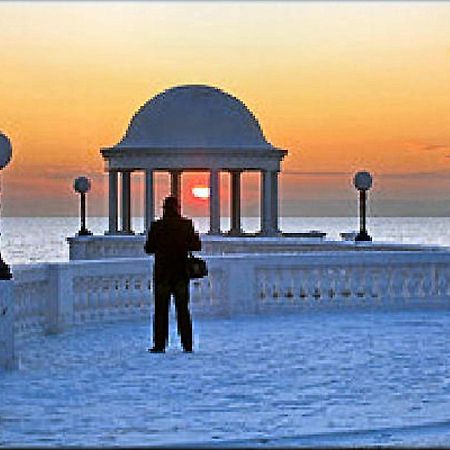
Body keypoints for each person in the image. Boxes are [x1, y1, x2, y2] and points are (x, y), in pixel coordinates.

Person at [144, 195, 201, 353]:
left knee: (160, 310)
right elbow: (197, 246)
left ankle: (159, 345)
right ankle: (187, 345)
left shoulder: (157, 226)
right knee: (183, 310)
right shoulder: (186, 225)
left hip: (162, 273)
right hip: (181, 273)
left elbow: (148, 248)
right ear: (177, 208)